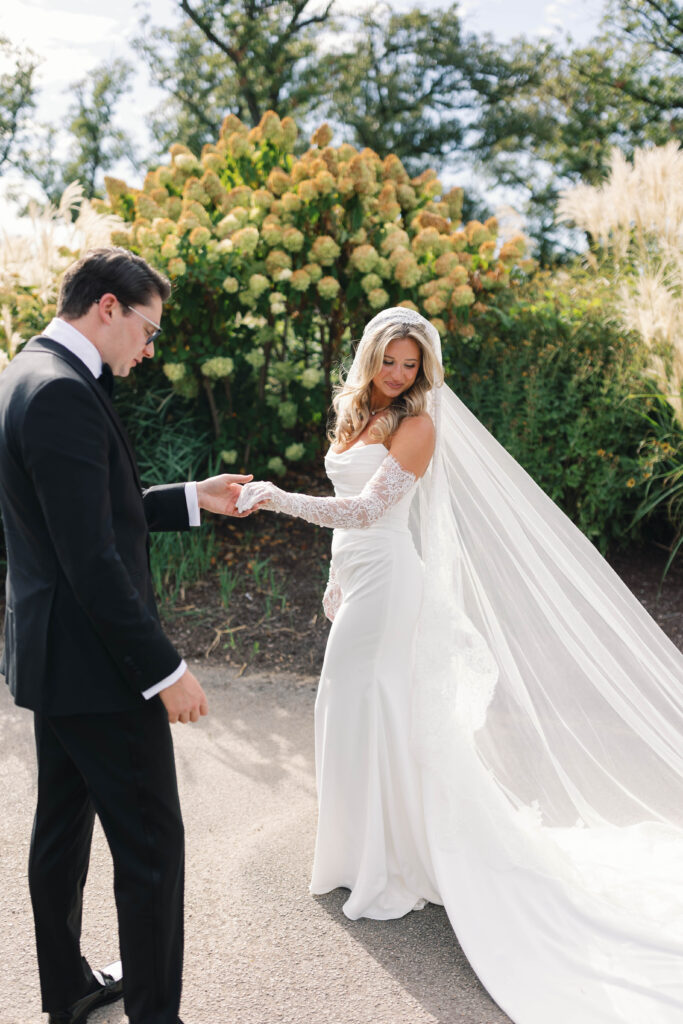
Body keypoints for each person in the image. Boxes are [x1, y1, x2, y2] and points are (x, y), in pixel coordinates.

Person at [238, 307, 683, 1023]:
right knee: (351, 707)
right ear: (370, 358)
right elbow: (351, 526)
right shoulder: (355, 411)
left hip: (390, 585)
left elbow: (364, 512)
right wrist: (333, 578)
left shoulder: (417, 425)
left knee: (365, 705)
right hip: (361, 580)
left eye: (410, 365)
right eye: (390, 361)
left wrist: (276, 500)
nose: (398, 374)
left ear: (423, 370)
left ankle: (389, 861)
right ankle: (361, 852)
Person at [0, 247, 253, 1024]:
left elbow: (82, 511)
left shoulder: (27, 373)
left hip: (54, 659)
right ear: (107, 306)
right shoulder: (63, 394)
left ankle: (69, 990)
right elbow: (92, 559)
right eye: (147, 329)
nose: (149, 348)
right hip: (102, 668)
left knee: (61, 834)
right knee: (151, 850)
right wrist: (163, 669)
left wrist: (187, 497)